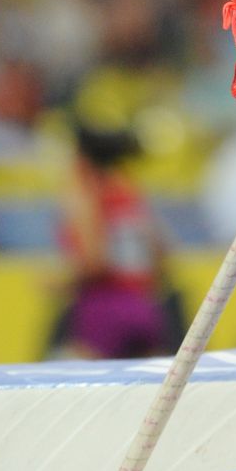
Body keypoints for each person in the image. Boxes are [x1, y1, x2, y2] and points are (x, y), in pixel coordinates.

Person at [50, 121, 179, 360]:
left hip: (104, 310)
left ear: (81, 159)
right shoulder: (130, 195)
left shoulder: (87, 197)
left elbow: (95, 261)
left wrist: (61, 282)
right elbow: (161, 256)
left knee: (76, 386)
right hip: (145, 309)